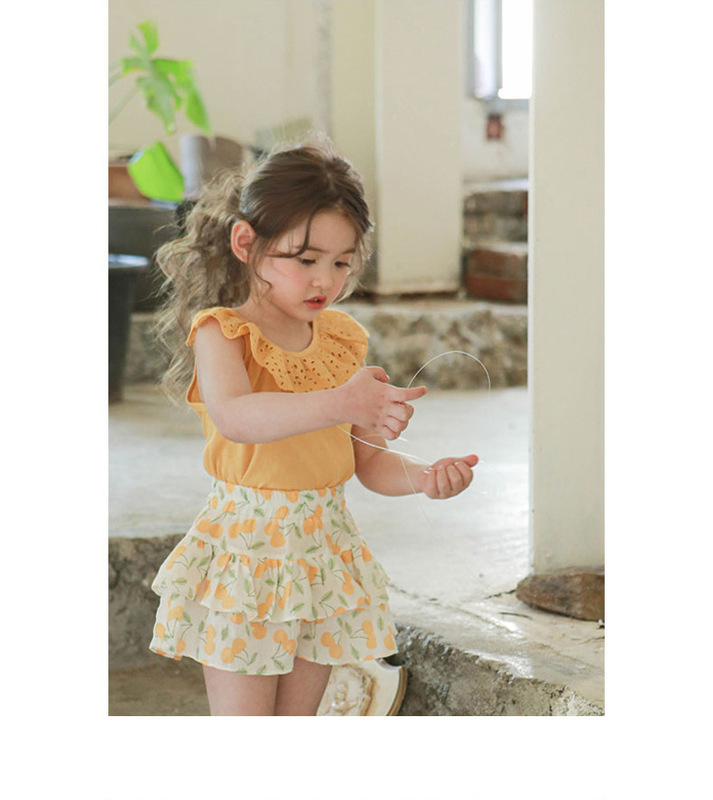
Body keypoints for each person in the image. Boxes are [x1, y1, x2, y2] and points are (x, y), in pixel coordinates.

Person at [148, 137, 479, 716]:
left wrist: (427, 477)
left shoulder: (343, 340)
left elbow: (369, 462)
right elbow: (237, 418)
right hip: (247, 559)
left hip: (324, 559)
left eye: (342, 262)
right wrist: (342, 402)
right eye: (305, 260)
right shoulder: (223, 332)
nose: (325, 280)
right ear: (246, 243)